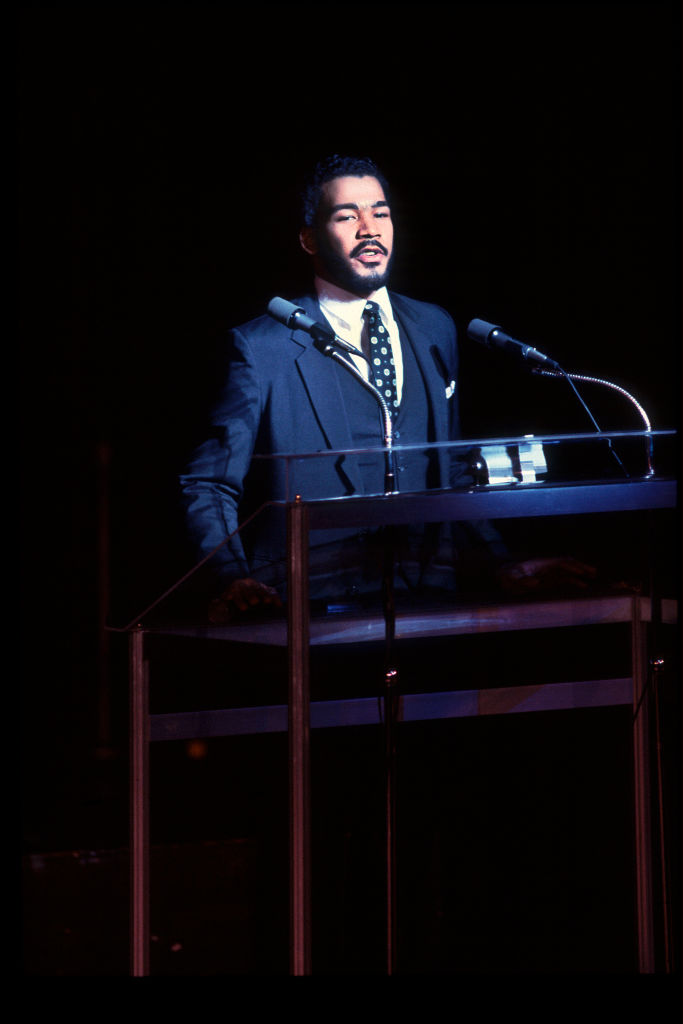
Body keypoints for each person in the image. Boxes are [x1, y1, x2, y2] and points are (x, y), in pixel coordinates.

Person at [179, 154, 593, 622]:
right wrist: (233, 579)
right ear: (309, 238)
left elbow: (450, 471)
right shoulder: (263, 347)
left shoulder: (434, 328)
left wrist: (502, 565)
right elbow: (209, 483)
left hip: (430, 604)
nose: (368, 228)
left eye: (380, 212)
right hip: (305, 611)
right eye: (346, 215)